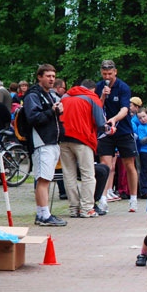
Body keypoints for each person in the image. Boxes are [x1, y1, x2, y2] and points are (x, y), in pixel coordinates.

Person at [25, 64, 67, 227]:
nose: (51, 79)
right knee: (43, 179)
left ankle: (43, 212)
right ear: (39, 77)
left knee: (47, 178)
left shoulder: (49, 95)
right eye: (48, 76)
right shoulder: (33, 95)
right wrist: (52, 111)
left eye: (53, 76)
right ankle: (43, 215)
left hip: (52, 141)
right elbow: (33, 118)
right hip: (42, 142)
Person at [95, 60, 140, 212]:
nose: (107, 76)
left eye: (110, 73)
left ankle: (133, 199)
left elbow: (125, 109)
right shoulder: (100, 86)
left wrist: (114, 119)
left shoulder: (123, 87)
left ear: (115, 72)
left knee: (129, 165)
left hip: (123, 129)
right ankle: (103, 198)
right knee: (105, 165)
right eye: (104, 74)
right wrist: (102, 96)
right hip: (106, 130)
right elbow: (97, 107)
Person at [59, 78, 105, 218]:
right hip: (82, 139)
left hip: (63, 138)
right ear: (92, 89)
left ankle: (74, 208)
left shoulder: (65, 97)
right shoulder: (92, 98)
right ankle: (87, 208)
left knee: (69, 174)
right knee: (88, 175)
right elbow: (100, 122)